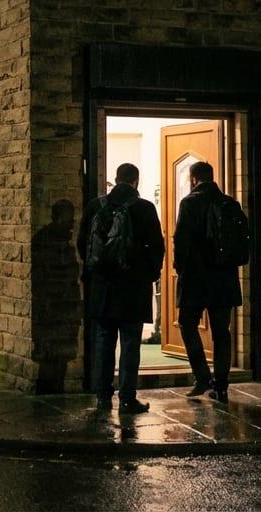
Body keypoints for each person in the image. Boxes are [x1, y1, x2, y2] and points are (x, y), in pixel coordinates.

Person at [77, 163, 164, 414]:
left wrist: (97, 272)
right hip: (133, 287)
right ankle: (127, 398)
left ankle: (103, 396)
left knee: (103, 341)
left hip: (102, 287)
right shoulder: (145, 208)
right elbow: (156, 248)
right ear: (136, 181)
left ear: (116, 179)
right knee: (130, 343)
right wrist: (148, 274)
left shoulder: (96, 206)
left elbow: (83, 243)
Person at [173, 161, 243, 403]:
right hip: (224, 278)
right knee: (222, 332)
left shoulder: (189, 203)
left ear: (193, 179)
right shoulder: (231, 203)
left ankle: (202, 376)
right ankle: (221, 387)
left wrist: (178, 269)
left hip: (195, 278)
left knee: (186, 324)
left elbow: (181, 240)